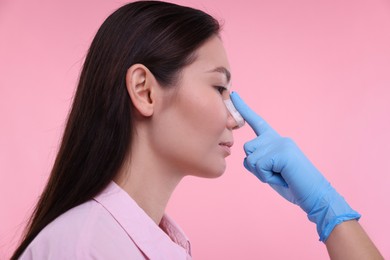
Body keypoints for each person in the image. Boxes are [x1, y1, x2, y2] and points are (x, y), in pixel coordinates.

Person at [12, 1, 383, 259]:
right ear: (144, 90)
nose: (236, 119)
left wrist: (327, 212)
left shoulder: (148, 241)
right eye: (219, 88)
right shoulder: (86, 248)